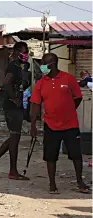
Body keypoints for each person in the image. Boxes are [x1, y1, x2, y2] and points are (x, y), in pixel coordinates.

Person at [30, 53, 90, 194]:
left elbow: (78, 98)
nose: (43, 67)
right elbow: (35, 104)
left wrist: (68, 110)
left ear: (54, 63)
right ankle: (52, 184)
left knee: (76, 154)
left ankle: (80, 182)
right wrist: (33, 124)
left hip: (70, 125)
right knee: (51, 156)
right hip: (50, 125)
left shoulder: (68, 79)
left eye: (45, 64)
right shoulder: (41, 83)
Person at [0, 41, 31, 180]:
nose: (26, 54)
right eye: (23, 51)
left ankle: (0, 166)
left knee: (14, 137)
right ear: (16, 52)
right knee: (14, 137)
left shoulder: (21, 67)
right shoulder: (13, 66)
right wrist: (14, 98)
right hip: (12, 106)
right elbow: (6, 83)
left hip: (17, 105)